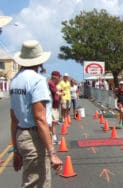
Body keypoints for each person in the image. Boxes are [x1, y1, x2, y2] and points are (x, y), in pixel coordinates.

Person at [10, 40, 62, 187]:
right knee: (38, 182)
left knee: (31, 180)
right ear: (39, 62)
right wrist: (52, 153)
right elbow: (40, 119)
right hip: (35, 137)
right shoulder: (37, 81)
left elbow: (13, 120)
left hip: (21, 135)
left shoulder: (15, 81)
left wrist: (15, 149)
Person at [48, 71, 63, 144]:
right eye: (59, 77)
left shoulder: (53, 84)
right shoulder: (51, 83)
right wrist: (62, 93)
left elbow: (56, 92)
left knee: (54, 122)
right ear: (56, 77)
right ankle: (52, 139)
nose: (60, 79)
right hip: (52, 107)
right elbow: (57, 93)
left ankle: (53, 138)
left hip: (54, 106)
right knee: (52, 123)